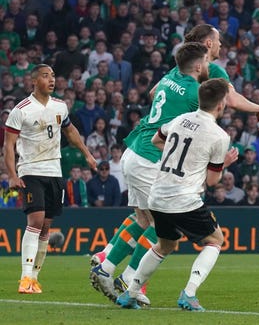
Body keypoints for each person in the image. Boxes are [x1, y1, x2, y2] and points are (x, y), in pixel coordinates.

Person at [116, 78, 239, 310]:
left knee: (165, 246)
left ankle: (130, 292)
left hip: (158, 195)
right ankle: (189, 293)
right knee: (215, 240)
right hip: (183, 199)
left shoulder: (180, 119)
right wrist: (223, 164)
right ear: (221, 104)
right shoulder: (219, 136)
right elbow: (212, 181)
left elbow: (156, 140)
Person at [4, 64, 96, 294]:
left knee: (46, 228)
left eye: (53, 75)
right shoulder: (21, 110)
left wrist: (87, 154)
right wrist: (13, 175)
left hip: (54, 172)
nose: (51, 79)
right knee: (35, 222)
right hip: (31, 171)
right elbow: (8, 145)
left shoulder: (60, 106)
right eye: (46, 76)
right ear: (34, 81)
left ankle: (34, 278)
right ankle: (24, 278)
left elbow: (71, 132)